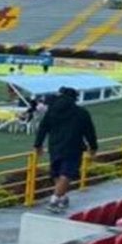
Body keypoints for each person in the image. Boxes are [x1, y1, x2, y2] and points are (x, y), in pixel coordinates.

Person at [33, 86, 98, 214]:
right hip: (74, 148)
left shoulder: (52, 111)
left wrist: (38, 145)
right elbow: (90, 131)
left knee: (57, 173)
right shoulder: (82, 112)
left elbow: (43, 128)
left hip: (54, 147)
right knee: (67, 173)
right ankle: (55, 199)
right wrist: (93, 147)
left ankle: (62, 197)